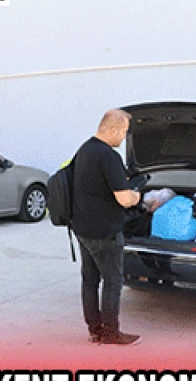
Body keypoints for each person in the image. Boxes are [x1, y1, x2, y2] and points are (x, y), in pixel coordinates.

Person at [71, 109, 142, 346]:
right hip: (104, 232)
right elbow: (124, 199)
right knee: (113, 280)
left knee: (90, 280)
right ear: (112, 129)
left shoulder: (84, 150)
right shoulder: (108, 156)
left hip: (82, 228)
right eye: (123, 132)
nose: (124, 137)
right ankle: (111, 333)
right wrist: (137, 196)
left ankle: (95, 330)